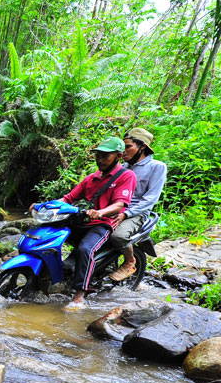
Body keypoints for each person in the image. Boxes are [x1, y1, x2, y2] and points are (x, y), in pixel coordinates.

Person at [58, 136, 137, 310]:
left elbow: (120, 204)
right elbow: (68, 198)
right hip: (83, 220)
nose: (99, 160)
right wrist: (47, 206)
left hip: (103, 223)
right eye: (98, 155)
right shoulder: (91, 178)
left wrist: (100, 212)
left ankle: (80, 293)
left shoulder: (126, 176)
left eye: (104, 156)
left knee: (86, 249)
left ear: (118, 156)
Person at [107, 128, 168, 281]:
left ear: (142, 147)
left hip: (136, 213)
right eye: (123, 147)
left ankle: (129, 262)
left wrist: (126, 214)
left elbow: (151, 199)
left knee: (118, 235)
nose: (124, 151)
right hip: (116, 208)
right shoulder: (122, 168)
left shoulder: (157, 167)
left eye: (128, 146)